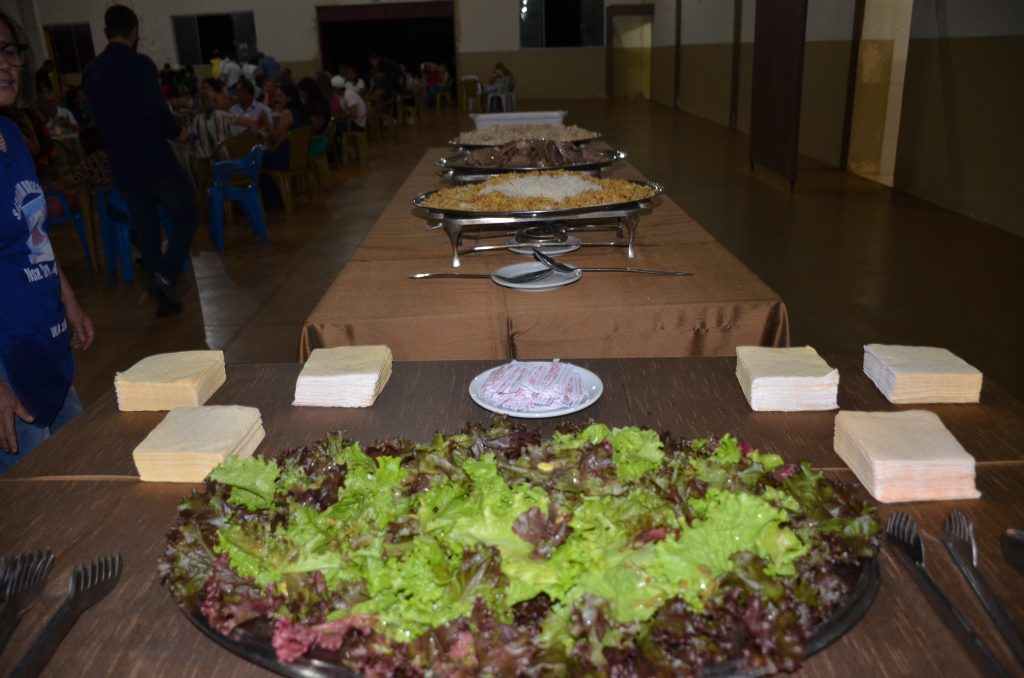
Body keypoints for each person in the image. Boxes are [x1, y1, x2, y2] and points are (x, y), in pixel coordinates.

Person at [0, 10, 94, 471]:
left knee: (77, 470)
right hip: (7, 364)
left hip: (45, 340)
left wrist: (68, 299)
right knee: (33, 511)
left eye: (8, 51)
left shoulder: (11, 136)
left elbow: (33, 234)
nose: (4, 64)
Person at [82, 4, 197, 317]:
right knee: (187, 211)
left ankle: (164, 297)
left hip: (121, 162)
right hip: (153, 159)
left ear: (106, 33)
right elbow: (154, 112)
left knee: (146, 226)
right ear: (135, 31)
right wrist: (180, 133)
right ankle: (165, 276)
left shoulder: (91, 71)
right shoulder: (140, 64)